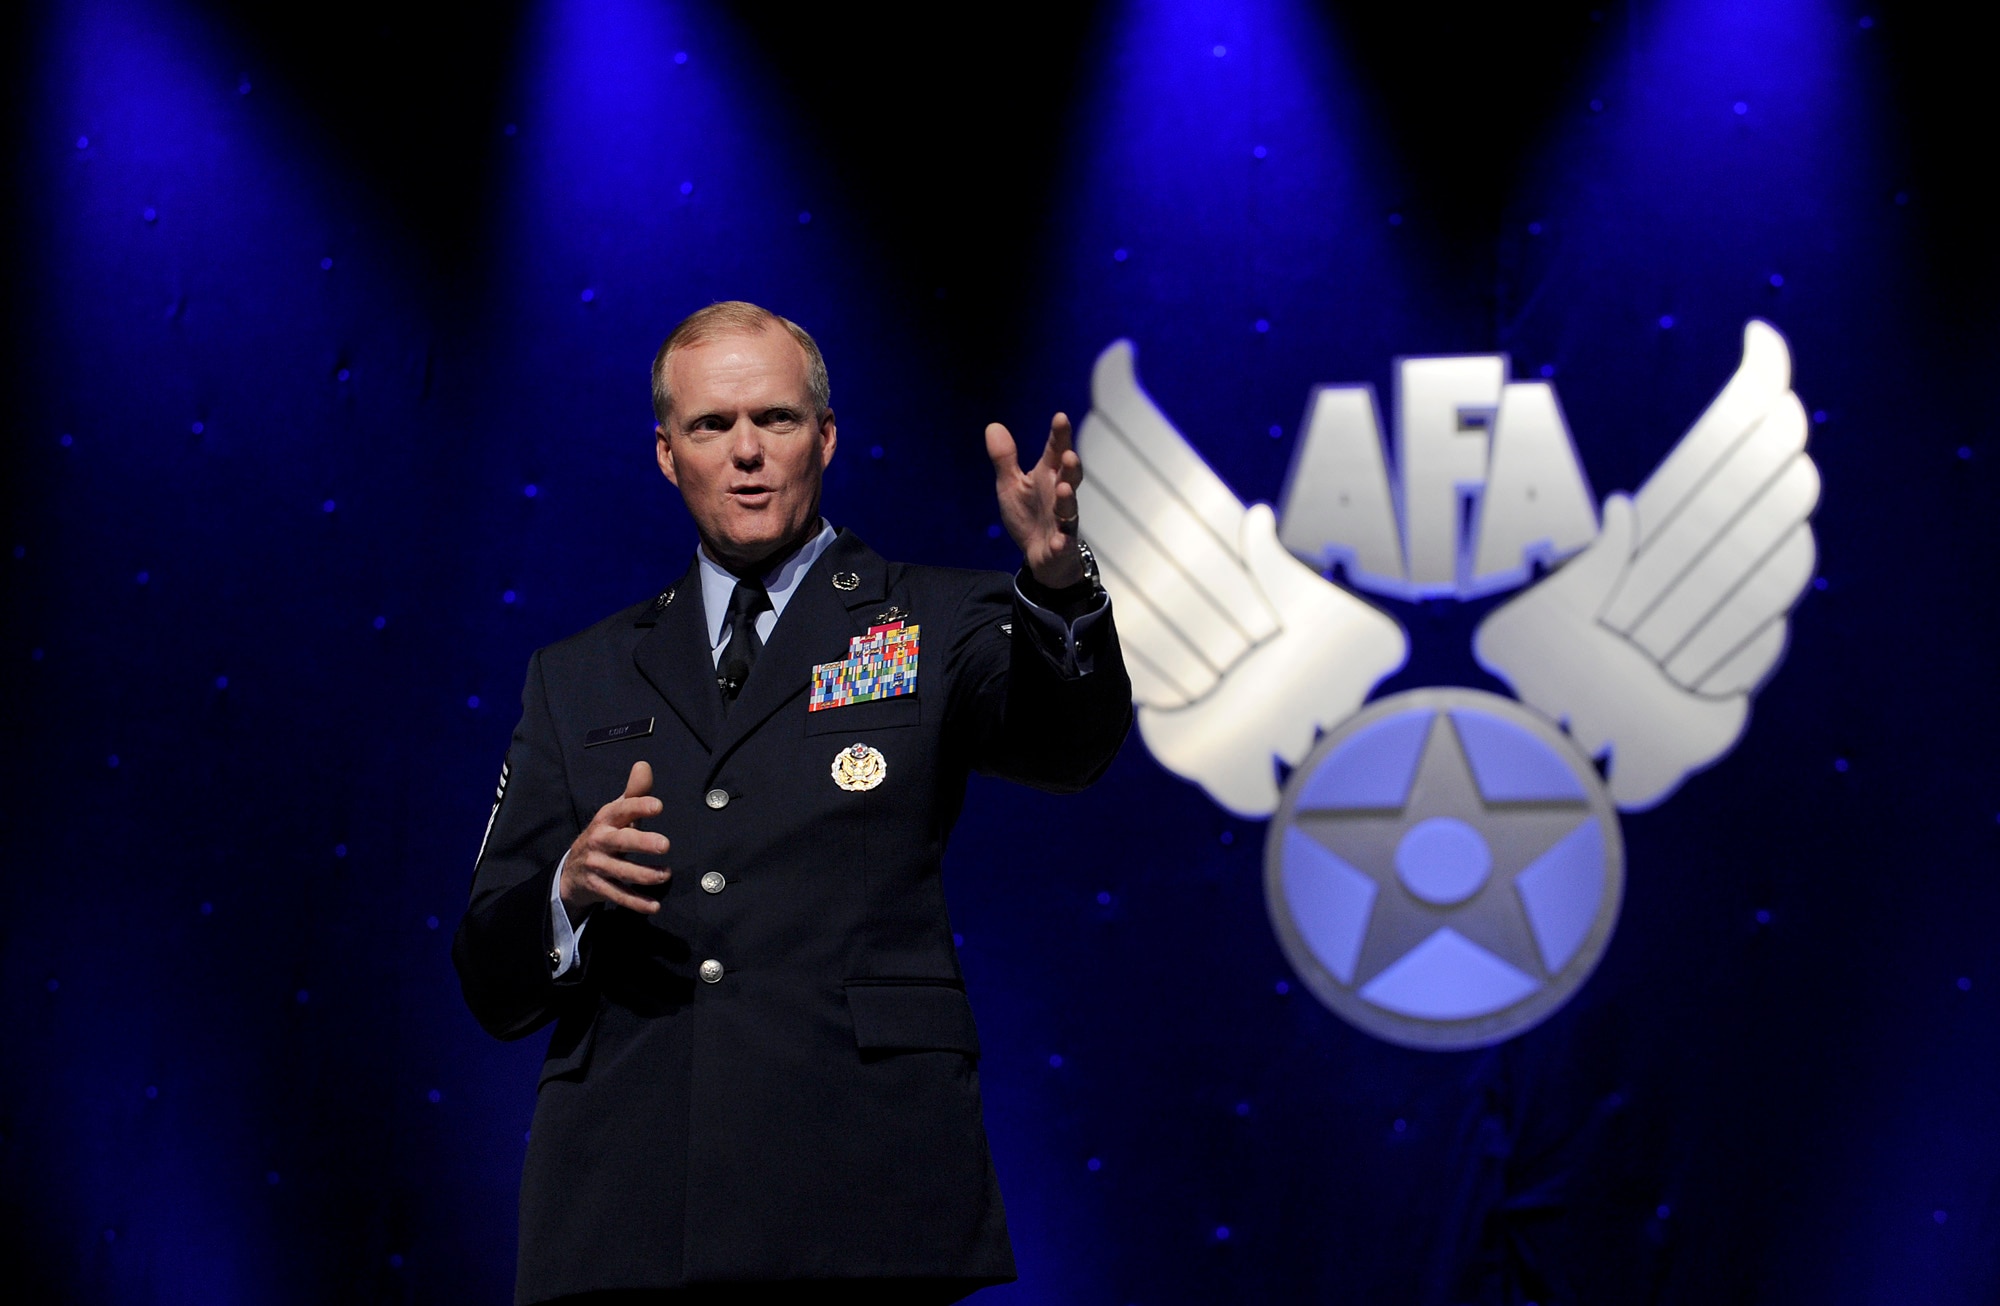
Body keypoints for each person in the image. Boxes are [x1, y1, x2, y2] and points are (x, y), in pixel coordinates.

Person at [453, 301, 1132, 1304]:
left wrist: (1059, 589)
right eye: (710, 427)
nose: (745, 454)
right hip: (630, 1212)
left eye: (773, 420)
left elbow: (1066, 747)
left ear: (825, 436)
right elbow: (487, 971)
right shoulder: (579, 674)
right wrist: (565, 889)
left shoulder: (934, 616)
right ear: (664, 453)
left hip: (857, 1193)